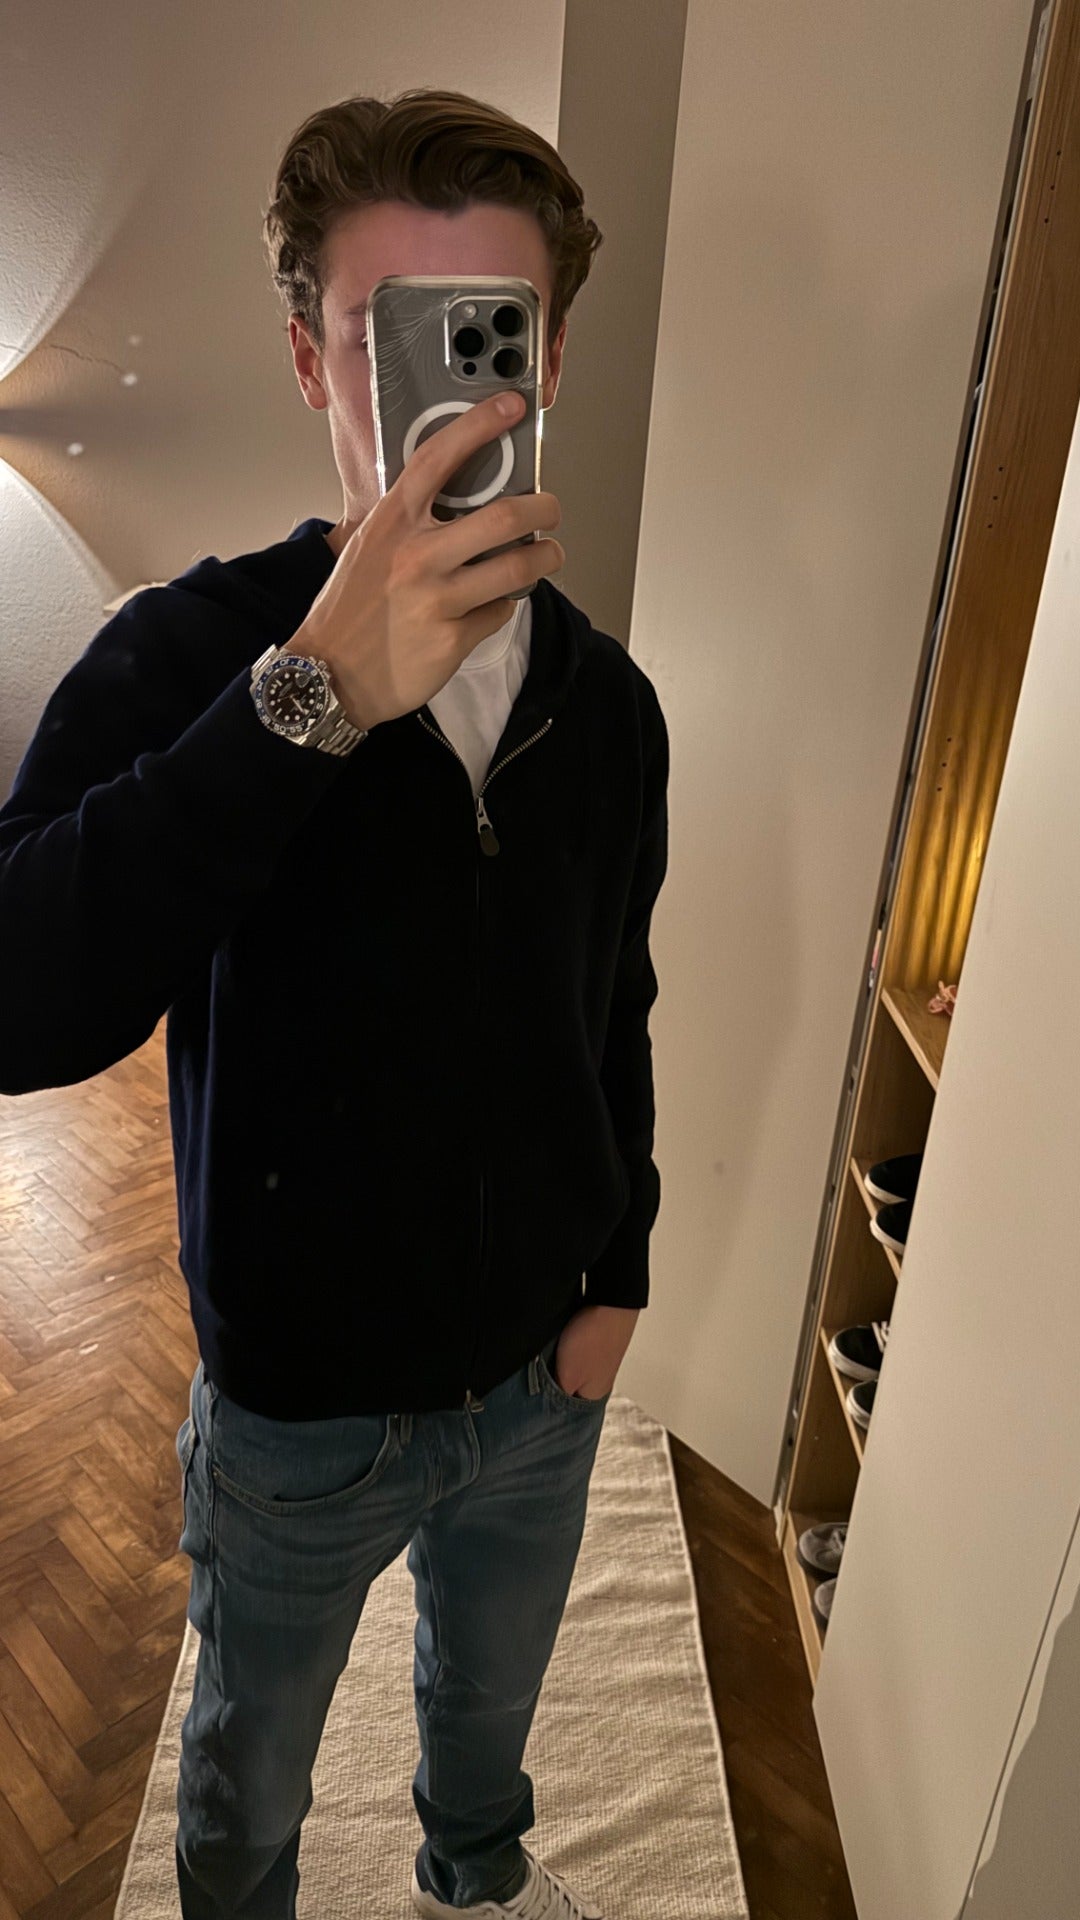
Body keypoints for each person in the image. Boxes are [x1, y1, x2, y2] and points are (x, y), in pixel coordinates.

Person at [0, 86, 669, 1920]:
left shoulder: (608, 709)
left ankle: (475, 1875)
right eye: (392, 338)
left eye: (490, 336)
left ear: (548, 361)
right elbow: (20, 998)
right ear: (313, 359)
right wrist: (308, 703)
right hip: (298, 1412)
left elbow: (617, 999)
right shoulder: (196, 657)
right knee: (251, 1767)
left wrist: (617, 1272)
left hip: (539, 1382)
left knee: (489, 1714)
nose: (443, 396)